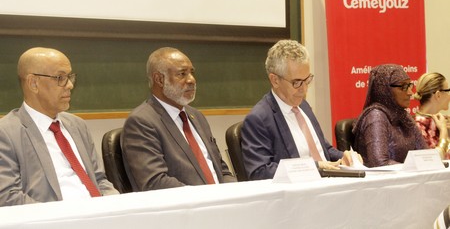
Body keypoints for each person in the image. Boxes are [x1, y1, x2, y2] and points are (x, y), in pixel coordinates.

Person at [0, 47, 118, 206]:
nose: (69, 85)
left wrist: (118, 205)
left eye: (70, 77)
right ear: (33, 83)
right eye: (60, 78)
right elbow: (8, 198)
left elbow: (99, 180)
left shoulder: (77, 125)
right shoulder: (6, 133)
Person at [241, 39, 358, 181]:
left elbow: (324, 150)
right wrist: (315, 168)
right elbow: (260, 171)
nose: (304, 89)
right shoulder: (259, 119)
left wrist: (345, 157)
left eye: (307, 80)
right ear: (275, 80)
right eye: (296, 82)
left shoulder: (303, 106)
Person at [121, 47, 236, 190]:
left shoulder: (197, 116)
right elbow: (155, 182)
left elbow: (221, 170)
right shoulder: (141, 122)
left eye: (192, 73)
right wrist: (207, 197)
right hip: (188, 208)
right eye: (182, 74)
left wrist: (236, 191)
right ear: (159, 79)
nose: (192, 80)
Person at [352, 64, 428, 167]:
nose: (410, 93)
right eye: (403, 87)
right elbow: (379, 163)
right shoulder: (376, 116)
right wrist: (412, 169)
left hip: (407, 178)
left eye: (410, 85)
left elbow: (425, 154)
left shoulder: (403, 115)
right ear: (385, 89)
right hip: (382, 181)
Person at [414, 72, 450, 159]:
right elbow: (431, 161)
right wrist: (444, 132)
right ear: (438, 95)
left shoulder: (442, 122)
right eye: (448, 91)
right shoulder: (417, 127)